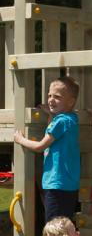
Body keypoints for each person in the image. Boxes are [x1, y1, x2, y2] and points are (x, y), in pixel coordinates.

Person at [14, 76, 80, 222]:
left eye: (57, 97)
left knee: (53, 228)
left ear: (70, 102)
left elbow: (40, 146)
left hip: (56, 183)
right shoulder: (71, 118)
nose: (50, 100)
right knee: (63, 227)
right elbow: (56, 129)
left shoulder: (61, 121)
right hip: (68, 184)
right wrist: (51, 114)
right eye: (49, 95)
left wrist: (21, 140)